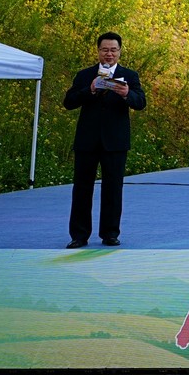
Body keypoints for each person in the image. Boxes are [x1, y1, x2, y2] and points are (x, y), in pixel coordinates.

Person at [63, 31, 146, 248]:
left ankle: (110, 233)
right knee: (82, 189)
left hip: (115, 141)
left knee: (113, 189)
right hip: (87, 140)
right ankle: (79, 235)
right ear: (98, 51)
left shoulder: (129, 76)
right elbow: (69, 102)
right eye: (105, 50)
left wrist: (126, 93)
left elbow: (140, 102)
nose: (109, 54)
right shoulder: (85, 75)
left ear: (120, 52)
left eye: (113, 50)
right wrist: (90, 89)